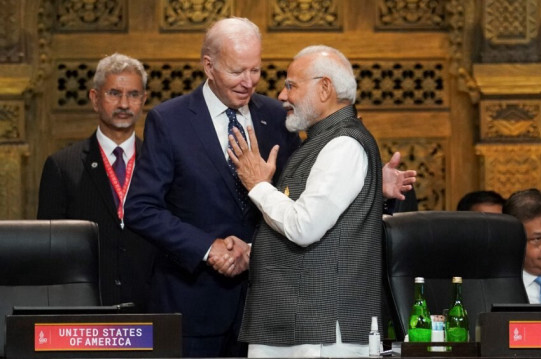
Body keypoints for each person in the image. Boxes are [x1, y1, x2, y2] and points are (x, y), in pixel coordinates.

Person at [124, 18, 415, 358]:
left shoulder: (280, 116)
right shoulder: (169, 120)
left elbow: (306, 193)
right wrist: (208, 248)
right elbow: (141, 209)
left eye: (256, 71)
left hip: (272, 304)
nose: (249, 83)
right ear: (209, 66)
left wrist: (369, 183)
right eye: (237, 72)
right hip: (194, 303)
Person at [229, 45, 382, 358]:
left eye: (291, 85)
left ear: (324, 88)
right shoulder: (322, 142)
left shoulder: (344, 144)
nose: (282, 96)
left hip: (320, 332)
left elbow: (304, 226)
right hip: (299, 327)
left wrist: (258, 185)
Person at [37, 53, 155, 312]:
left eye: (133, 95)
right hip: (84, 307)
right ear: (95, 99)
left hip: (150, 309)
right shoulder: (62, 165)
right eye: (114, 93)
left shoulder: (159, 163)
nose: (124, 103)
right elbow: (49, 252)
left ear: (143, 100)